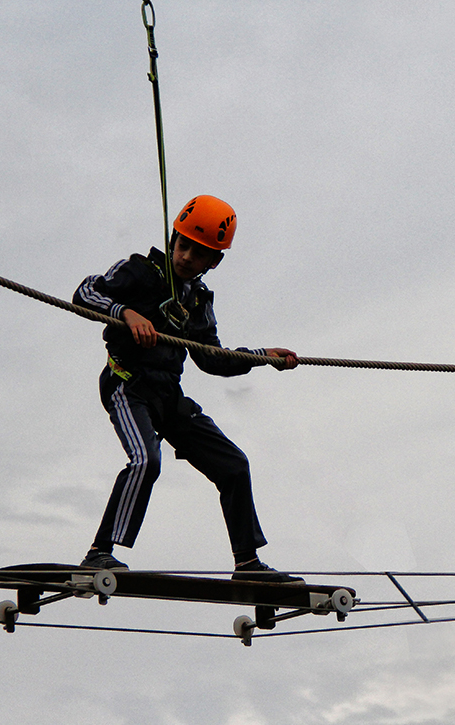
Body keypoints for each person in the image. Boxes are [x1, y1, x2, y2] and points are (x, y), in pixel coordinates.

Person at [72, 194, 302, 583]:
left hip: (168, 397)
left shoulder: (198, 300)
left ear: (214, 262)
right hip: (127, 386)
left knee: (233, 465)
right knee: (146, 460)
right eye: (182, 245)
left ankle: (247, 564)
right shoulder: (139, 272)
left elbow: (212, 359)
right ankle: (99, 553)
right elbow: (85, 293)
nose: (185, 257)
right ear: (173, 237)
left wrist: (263, 356)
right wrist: (125, 313)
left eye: (198, 254)